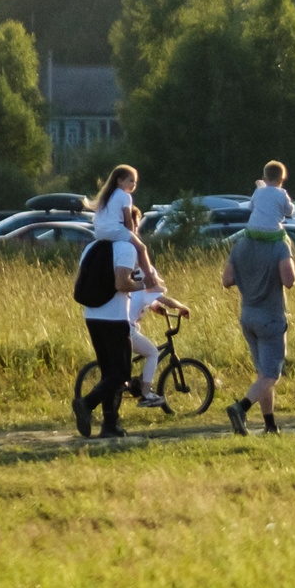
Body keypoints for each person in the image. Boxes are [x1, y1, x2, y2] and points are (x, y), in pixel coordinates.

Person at [72, 196, 144, 438]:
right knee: (121, 374)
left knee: (108, 373)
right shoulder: (125, 248)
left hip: (92, 315)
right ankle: (87, 404)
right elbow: (122, 283)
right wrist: (143, 283)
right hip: (114, 317)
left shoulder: (91, 248)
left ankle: (110, 425)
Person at [222, 215, 295, 434]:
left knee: (262, 375)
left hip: (248, 316)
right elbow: (289, 280)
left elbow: (226, 280)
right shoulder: (279, 245)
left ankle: (270, 425)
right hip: (271, 318)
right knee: (271, 375)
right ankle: (241, 407)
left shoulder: (240, 245)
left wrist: (249, 275)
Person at [126, 261, 191, 409]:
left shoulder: (134, 285)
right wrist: (182, 307)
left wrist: (156, 308)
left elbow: (149, 301)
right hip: (127, 329)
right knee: (153, 353)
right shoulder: (146, 285)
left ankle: (137, 384)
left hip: (116, 325)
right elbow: (166, 301)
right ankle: (146, 393)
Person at [245, 160, 295, 243]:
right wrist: (293, 206)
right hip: (272, 232)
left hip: (252, 230)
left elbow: (250, 208)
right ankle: (287, 254)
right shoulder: (282, 193)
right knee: (286, 240)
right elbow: (289, 212)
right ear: (281, 180)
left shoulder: (258, 191)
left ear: (264, 179)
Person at [91, 163, 138, 244]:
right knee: (142, 248)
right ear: (120, 181)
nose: (134, 184)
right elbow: (128, 218)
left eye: (135, 182)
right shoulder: (125, 195)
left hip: (98, 233)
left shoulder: (106, 195)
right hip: (114, 231)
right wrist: (132, 234)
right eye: (131, 181)